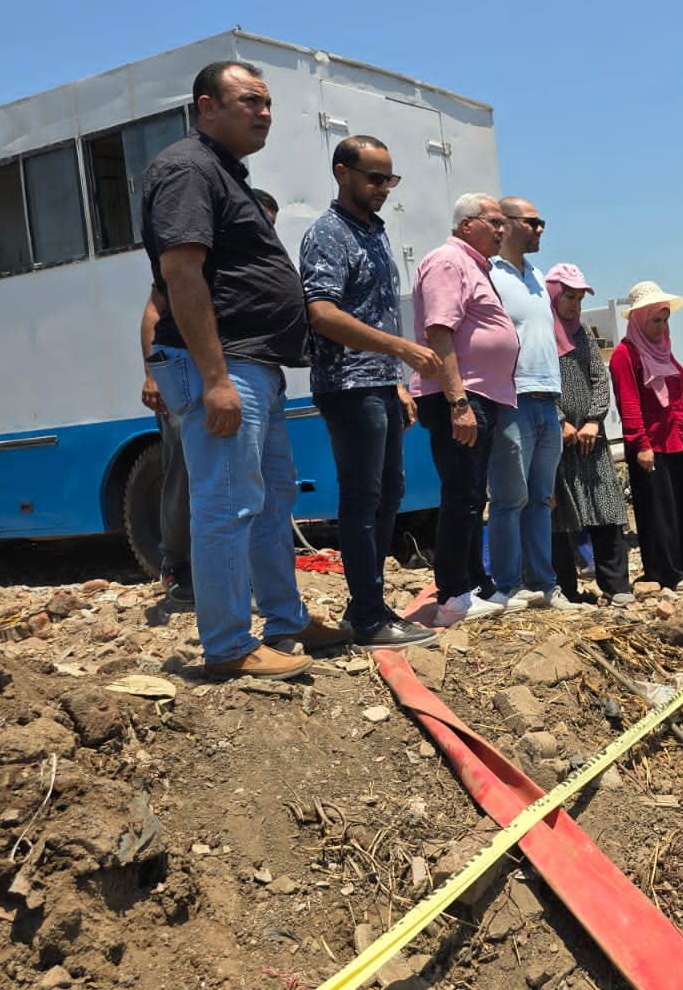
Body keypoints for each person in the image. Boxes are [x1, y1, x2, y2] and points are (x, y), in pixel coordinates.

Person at [141, 61, 350, 680]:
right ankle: (229, 645)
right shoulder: (187, 169)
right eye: (249, 101)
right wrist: (213, 378)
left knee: (266, 501)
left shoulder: (223, 173)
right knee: (227, 503)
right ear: (207, 106)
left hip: (253, 362)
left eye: (267, 103)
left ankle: (285, 620)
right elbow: (181, 275)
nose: (264, 113)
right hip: (223, 364)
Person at [300, 136, 442, 648]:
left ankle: (372, 607)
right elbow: (323, 313)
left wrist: (396, 379)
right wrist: (399, 349)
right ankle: (365, 618)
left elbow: (374, 309)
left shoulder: (375, 234)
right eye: (374, 178)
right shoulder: (327, 235)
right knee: (362, 500)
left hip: (379, 383)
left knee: (388, 496)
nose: (383, 188)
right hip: (347, 385)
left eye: (390, 179)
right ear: (342, 173)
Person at [140, 190, 279, 606]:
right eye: (260, 222)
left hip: (241, 382)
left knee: (247, 484)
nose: (265, 232)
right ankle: (177, 567)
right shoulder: (200, 259)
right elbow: (153, 313)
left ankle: (243, 580)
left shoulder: (255, 263)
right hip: (191, 381)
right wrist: (152, 373)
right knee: (186, 474)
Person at [410, 194, 516, 628]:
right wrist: (458, 402)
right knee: (461, 496)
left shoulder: (474, 266)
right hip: (460, 396)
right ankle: (453, 593)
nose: (502, 229)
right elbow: (438, 332)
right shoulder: (448, 262)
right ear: (467, 223)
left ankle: (474, 584)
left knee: (473, 496)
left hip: (478, 396)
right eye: (495, 221)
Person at [486, 197, 580, 611]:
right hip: (511, 399)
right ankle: (506, 587)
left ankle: (543, 584)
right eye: (533, 222)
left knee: (541, 499)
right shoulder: (488, 273)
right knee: (509, 499)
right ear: (505, 224)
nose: (541, 229)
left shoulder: (538, 276)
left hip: (546, 401)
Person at [609, 281, 683, 591]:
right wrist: (640, 444)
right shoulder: (625, 355)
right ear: (638, 319)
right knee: (659, 510)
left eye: (665, 320)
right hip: (651, 445)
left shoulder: (665, 350)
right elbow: (629, 402)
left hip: (679, 440)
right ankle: (665, 573)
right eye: (655, 320)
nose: (661, 326)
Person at [545, 263, 631, 605]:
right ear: (552, 295)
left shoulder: (582, 334)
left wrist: (594, 421)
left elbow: (599, 377)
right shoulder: (537, 337)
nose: (575, 305)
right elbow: (536, 383)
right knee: (561, 515)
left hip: (591, 442)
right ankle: (566, 589)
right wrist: (561, 421)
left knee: (605, 509)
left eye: (580, 298)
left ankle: (617, 586)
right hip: (558, 441)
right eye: (569, 297)